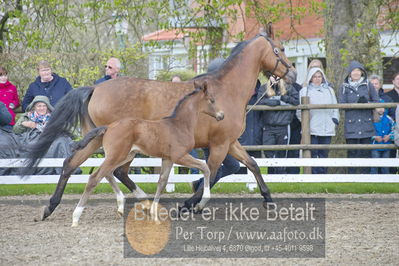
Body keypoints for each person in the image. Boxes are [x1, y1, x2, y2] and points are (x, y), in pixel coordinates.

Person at [191, 58, 241, 192]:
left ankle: (199, 185)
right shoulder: (207, 94)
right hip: (211, 140)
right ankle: (199, 193)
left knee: (233, 167)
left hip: (220, 138)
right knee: (217, 170)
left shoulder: (222, 91)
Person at [15, 95, 76, 175]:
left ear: (47, 107)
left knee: (61, 142)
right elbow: (15, 130)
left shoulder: (54, 116)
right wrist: (23, 124)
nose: (42, 108)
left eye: (44, 106)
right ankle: (40, 169)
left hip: (52, 139)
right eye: (39, 106)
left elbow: (71, 131)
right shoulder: (27, 116)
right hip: (33, 139)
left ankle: (65, 169)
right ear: (34, 107)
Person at [338, 60, 379, 174]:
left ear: (362, 72)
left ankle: (365, 177)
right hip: (351, 125)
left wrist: (367, 104)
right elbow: (341, 104)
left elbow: (376, 101)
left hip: (366, 125)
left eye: (358, 70)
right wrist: (356, 103)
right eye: (353, 71)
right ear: (349, 73)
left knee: (366, 153)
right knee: (352, 152)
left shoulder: (368, 85)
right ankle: (352, 177)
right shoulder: (344, 87)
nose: (356, 73)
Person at [297, 67, 339, 174]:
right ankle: (314, 175)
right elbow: (299, 111)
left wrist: (335, 120)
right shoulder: (304, 91)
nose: (317, 79)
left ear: (323, 77)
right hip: (312, 128)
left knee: (324, 153)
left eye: (319, 76)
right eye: (314, 77)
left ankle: (323, 174)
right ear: (310, 78)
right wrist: (305, 123)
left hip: (327, 127)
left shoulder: (329, 91)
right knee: (313, 152)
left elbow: (335, 107)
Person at [257, 77, 299, 174]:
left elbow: (296, 101)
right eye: (273, 75)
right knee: (268, 151)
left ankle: (281, 176)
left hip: (283, 125)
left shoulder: (288, 87)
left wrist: (283, 98)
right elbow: (259, 101)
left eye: (277, 75)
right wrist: (274, 103)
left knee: (282, 152)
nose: (275, 77)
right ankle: (272, 175)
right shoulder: (264, 88)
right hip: (268, 126)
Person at [370, 101, 395, 174]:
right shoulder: (372, 119)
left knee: (385, 164)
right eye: (378, 107)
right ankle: (373, 179)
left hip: (387, 144)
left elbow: (394, 128)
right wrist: (374, 137)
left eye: (382, 107)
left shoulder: (388, 118)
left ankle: (385, 179)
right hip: (375, 145)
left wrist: (389, 136)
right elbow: (368, 130)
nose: (381, 109)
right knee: (375, 164)